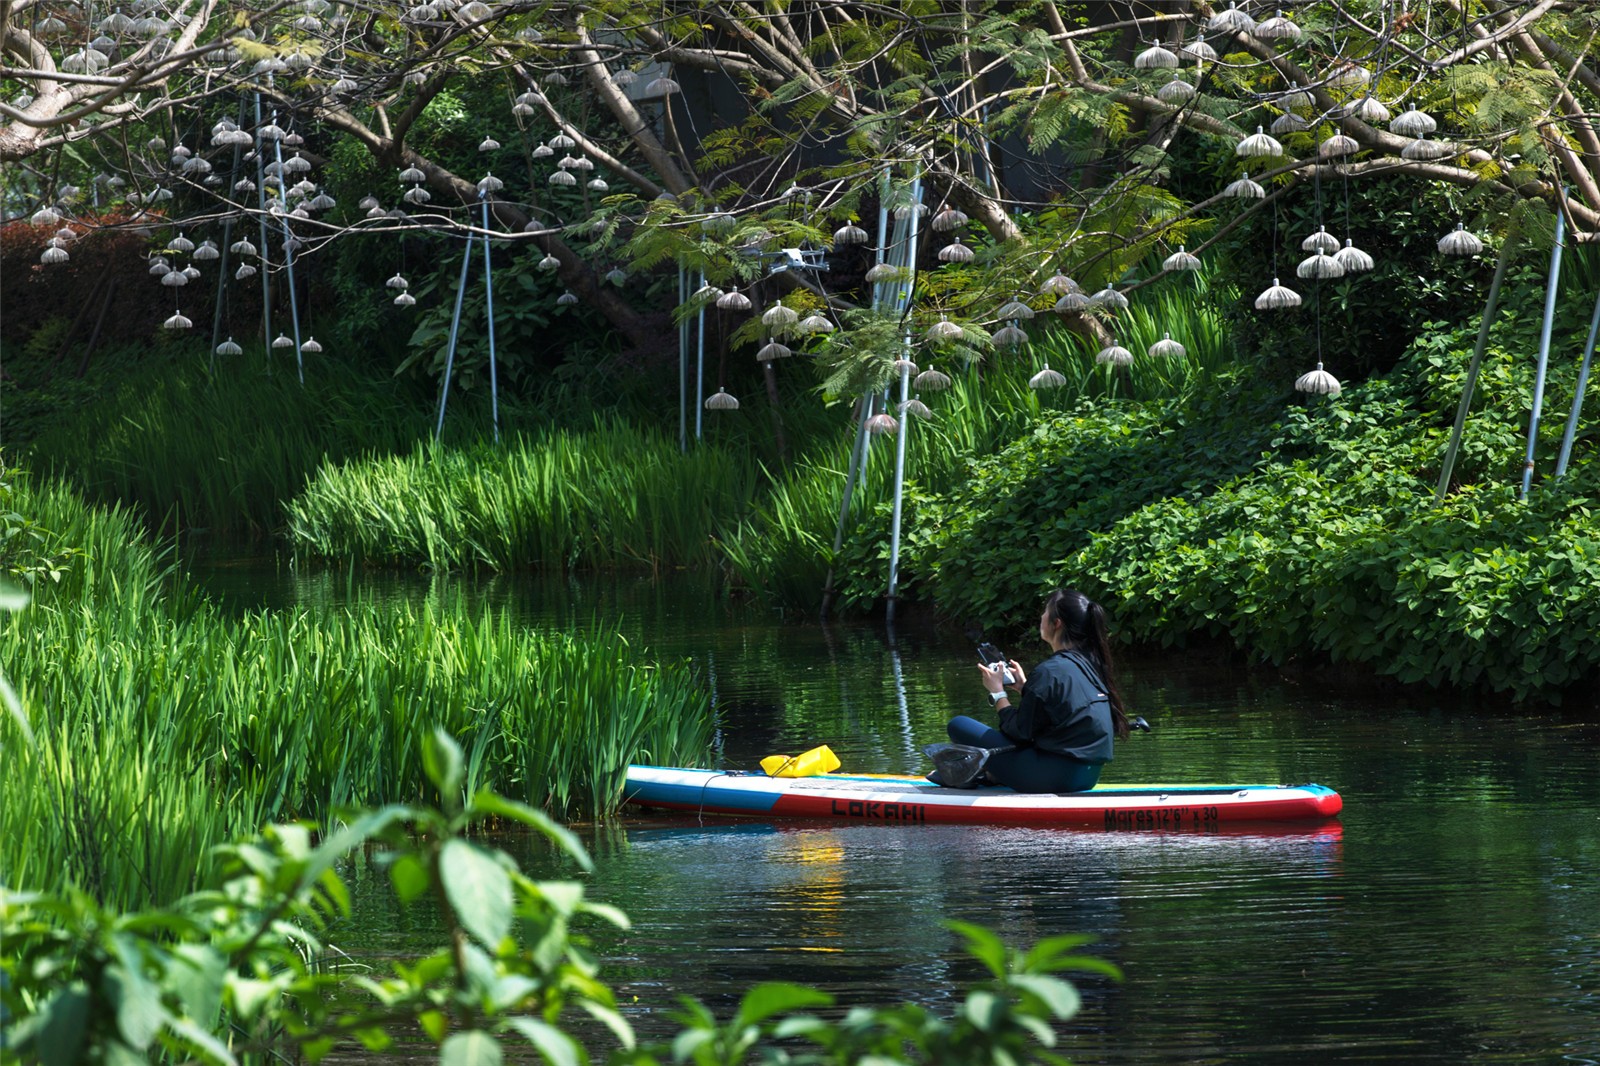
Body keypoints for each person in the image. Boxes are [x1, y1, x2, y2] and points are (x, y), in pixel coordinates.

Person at [938, 588, 1131, 792]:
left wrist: (997, 693)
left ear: (1056, 624)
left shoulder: (1050, 671)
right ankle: (992, 774)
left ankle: (986, 773)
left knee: (958, 725)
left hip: (1051, 779)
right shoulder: (1092, 666)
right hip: (1086, 778)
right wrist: (1025, 689)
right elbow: (1062, 716)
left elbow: (1019, 732)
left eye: (1045, 612)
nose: (1041, 617)